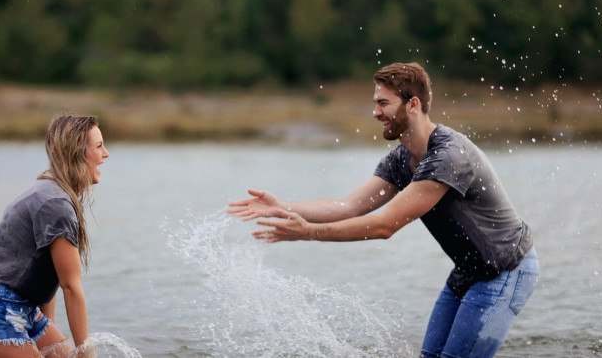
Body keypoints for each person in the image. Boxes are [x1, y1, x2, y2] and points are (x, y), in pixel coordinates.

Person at [228, 62, 538, 358]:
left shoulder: (448, 156)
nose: (375, 112)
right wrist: (282, 206)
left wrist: (307, 233)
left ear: (413, 104)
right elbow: (349, 206)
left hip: (505, 269)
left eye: (383, 103)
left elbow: (383, 226)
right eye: (376, 103)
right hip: (469, 271)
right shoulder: (402, 159)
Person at [0, 114, 109, 357]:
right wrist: (86, 354)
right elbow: (70, 287)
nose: (106, 154)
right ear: (78, 153)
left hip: (22, 310)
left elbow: (46, 274)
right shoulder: (56, 204)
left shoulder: (53, 192)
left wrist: (46, 330)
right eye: (99, 146)